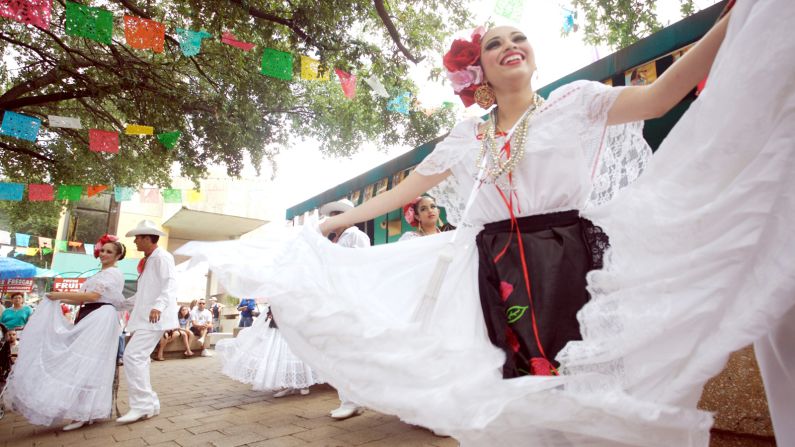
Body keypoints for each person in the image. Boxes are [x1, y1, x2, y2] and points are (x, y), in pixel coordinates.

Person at [181, 2, 795, 444]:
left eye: (518, 37)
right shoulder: (466, 136)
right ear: (479, 72)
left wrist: (731, 21)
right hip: (493, 269)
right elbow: (405, 191)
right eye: (495, 44)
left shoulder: (578, 103)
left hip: (571, 258)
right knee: (513, 388)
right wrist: (327, 228)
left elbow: (662, 95)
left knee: (585, 379)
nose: (510, 46)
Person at [1, 235, 126, 431]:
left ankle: (84, 413)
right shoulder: (99, 274)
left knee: (86, 361)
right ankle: (84, 411)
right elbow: (82, 299)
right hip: (90, 314)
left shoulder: (113, 274)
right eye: (102, 250)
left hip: (100, 316)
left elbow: (94, 296)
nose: (103, 254)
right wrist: (57, 299)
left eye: (109, 252)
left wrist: (59, 294)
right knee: (84, 362)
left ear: (118, 256)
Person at [117, 220, 178, 424]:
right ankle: (150, 404)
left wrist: (158, 306)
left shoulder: (163, 257)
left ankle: (142, 405)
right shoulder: (150, 259)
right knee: (138, 358)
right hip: (148, 317)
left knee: (133, 356)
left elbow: (170, 284)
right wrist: (120, 304)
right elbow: (143, 294)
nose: (135, 241)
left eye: (138, 238)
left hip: (155, 318)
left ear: (147, 238)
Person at [319, 199, 370, 420]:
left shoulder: (356, 236)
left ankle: (353, 400)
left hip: (351, 300)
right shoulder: (336, 240)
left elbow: (362, 267)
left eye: (337, 215)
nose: (333, 220)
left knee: (349, 352)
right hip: (338, 299)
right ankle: (350, 400)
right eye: (331, 216)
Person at [216, 306, 319, 397]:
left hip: (294, 326)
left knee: (296, 354)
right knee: (279, 355)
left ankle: (303, 384)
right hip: (278, 326)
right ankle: (286, 385)